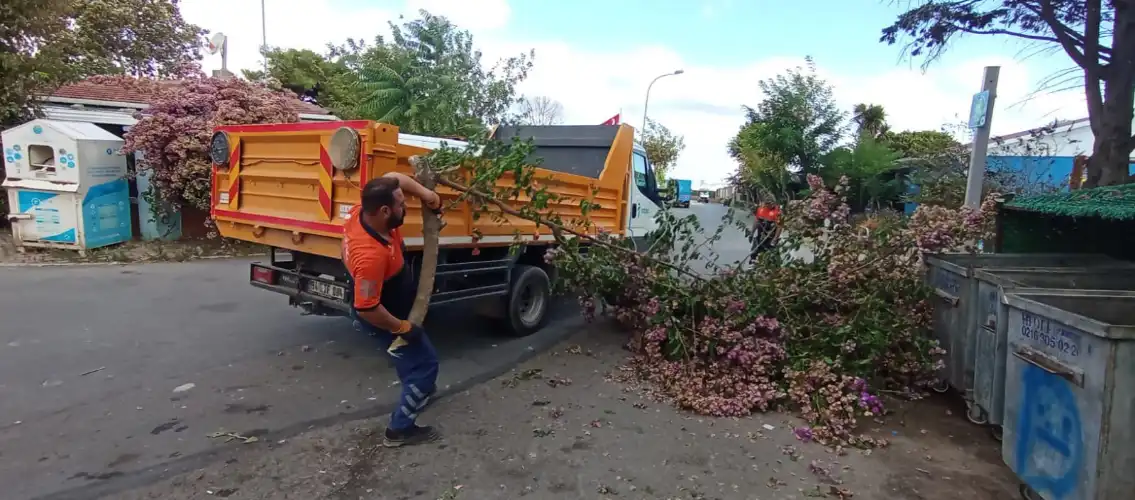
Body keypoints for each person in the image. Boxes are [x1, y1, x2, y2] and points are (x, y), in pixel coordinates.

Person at [343, 173, 443, 447]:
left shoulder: (362, 211)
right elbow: (366, 307)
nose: (406, 206)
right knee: (425, 366)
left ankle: (419, 389)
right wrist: (401, 327)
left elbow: (396, 178)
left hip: (394, 304)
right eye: (401, 204)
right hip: (385, 317)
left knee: (413, 362)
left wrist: (428, 195)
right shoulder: (370, 255)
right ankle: (399, 429)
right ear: (385, 210)